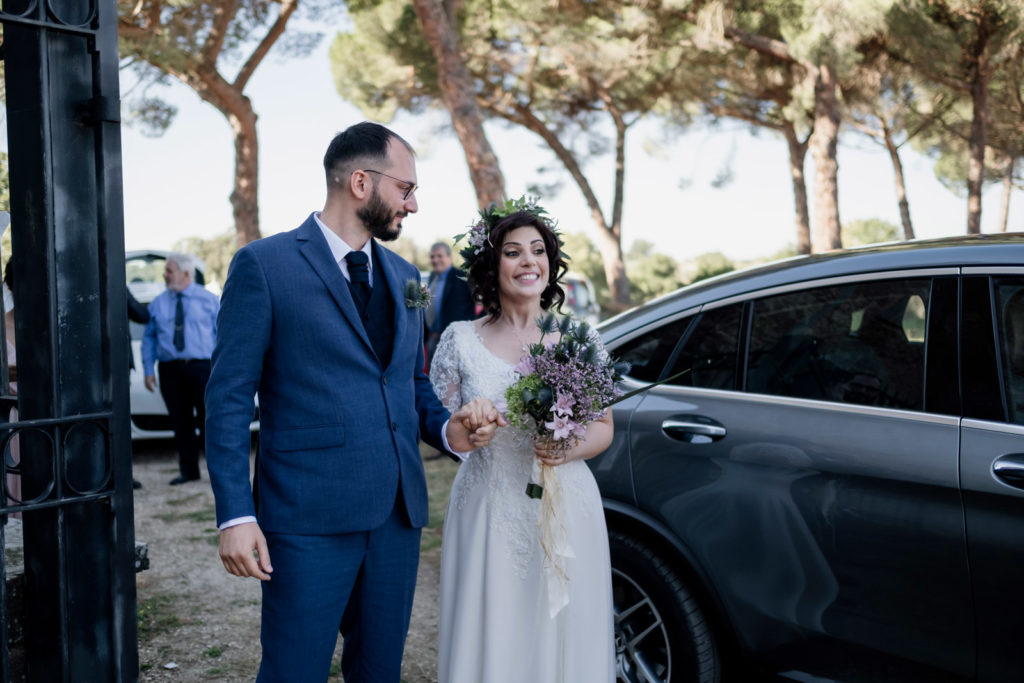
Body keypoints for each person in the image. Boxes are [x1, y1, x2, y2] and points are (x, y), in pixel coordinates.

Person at [204, 121, 504, 683]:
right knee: (294, 670)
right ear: (361, 182)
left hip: (397, 516)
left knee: (379, 672)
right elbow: (226, 399)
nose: (413, 205)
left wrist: (447, 431)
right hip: (306, 518)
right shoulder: (263, 266)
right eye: (406, 188)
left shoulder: (407, 276)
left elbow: (409, 382)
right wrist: (236, 514)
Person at [429, 198, 616, 682]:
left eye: (538, 250)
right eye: (513, 252)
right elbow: (440, 429)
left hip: (565, 506)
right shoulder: (459, 339)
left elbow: (603, 427)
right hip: (487, 505)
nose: (528, 261)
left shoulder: (578, 339)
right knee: (493, 625)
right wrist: (468, 427)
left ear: (550, 263)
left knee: (563, 631)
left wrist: (566, 447)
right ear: (492, 265)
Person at [141, 252, 219, 485]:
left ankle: (217, 472)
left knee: (210, 420)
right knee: (180, 421)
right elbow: (149, 339)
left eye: (169, 270)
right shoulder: (158, 303)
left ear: (186, 273)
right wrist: (148, 370)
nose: (164, 275)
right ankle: (189, 471)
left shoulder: (210, 300)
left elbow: (223, 336)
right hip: (170, 370)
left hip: (203, 368)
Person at [423, 241, 476, 369]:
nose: (435, 260)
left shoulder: (462, 277)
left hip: (456, 342)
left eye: (440, 256)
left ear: (449, 257)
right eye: (432, 256)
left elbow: (483, 303)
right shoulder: (431, 277)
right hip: (432, 340)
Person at [127, 288, 150, 489]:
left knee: (119, 423)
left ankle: (123, 474)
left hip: (117, 367)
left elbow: (143, 316)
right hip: (109, 367)